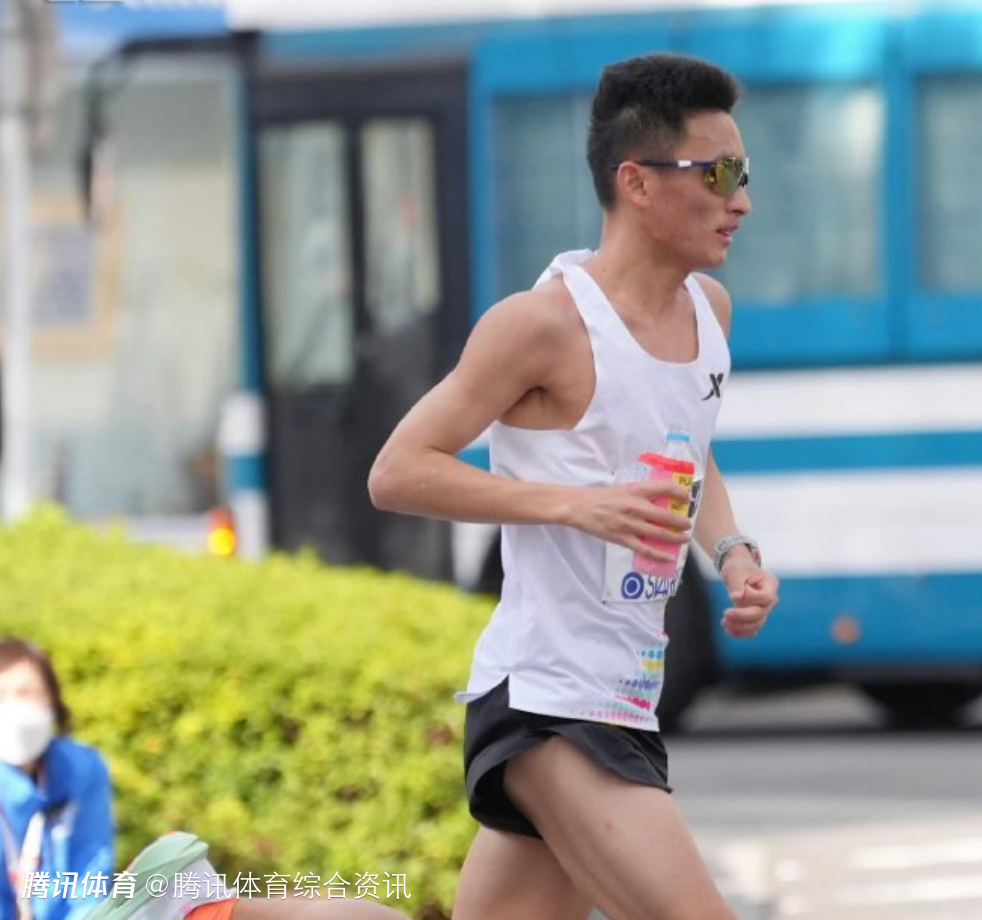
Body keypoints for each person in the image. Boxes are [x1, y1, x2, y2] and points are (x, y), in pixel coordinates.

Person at [88, 52, 778, 920]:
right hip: (552, 701)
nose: (741, 200)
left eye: (744, 174)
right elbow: (398, 470)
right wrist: (575, 504)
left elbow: (687, 445)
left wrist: (732, 550)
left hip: (626, 693)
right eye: (719, 173)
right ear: (636, 182)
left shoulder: (710, 314)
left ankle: (198, 909)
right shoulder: (543, 326)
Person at [0, 637, 115, 920]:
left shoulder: (81, 770)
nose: (13, 705)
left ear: (51, 700)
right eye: (0, 694)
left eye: (26, 692)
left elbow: (90, 876)